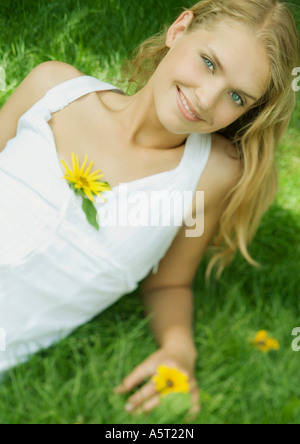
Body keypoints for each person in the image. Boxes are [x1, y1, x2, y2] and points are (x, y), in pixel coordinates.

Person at [0, 0, 299, 415]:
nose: (208, 99)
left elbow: (169, 283)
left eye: (236, 96)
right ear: (180, 30)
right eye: (209, 63)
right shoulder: (52, 88)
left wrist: (179, 351)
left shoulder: (209, 175)